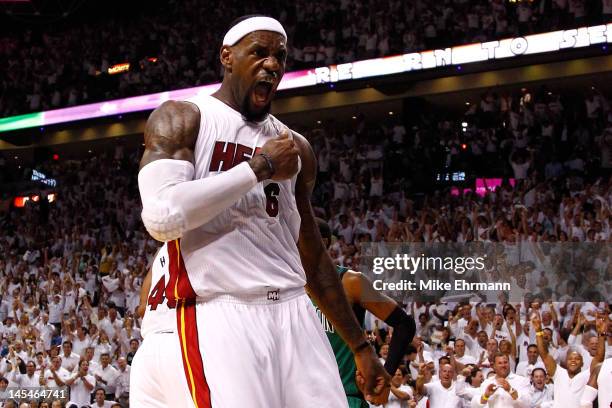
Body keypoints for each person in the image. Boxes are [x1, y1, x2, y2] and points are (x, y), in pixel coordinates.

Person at [137, 14, 389, 408]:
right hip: (222, 313)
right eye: (259, 52)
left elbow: (313, 257)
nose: (272, 64)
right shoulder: (184, 118)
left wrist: (360, 346)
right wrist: (259, 168)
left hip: (294, 312)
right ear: (227, 57)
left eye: (280, 56)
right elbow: (161, 217)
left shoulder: (296, 146)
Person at [314, 218, 416, 407]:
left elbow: (405, 324)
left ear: (323, 242)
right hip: (302, 396)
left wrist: (385, 378)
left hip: (344, 396)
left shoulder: (351, 282)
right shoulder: (290, 286)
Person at [130, 244, 198, 407]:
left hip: (147, 350)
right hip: (179, 343)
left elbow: (142, 308)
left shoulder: (164, 249)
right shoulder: (201, 240)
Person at [532, 315, 605, 408]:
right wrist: (538, 331)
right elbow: (544, 354)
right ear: (566, 362)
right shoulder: (558, 373)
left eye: (577, 359)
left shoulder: (587, 375)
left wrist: (602, 334)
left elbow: (599, 358)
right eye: (570, 359)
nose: (573, 360)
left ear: (582, 363)